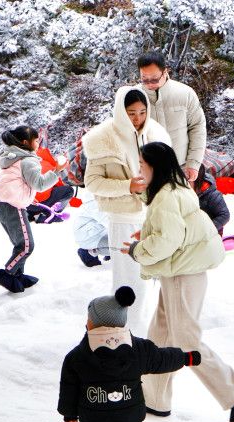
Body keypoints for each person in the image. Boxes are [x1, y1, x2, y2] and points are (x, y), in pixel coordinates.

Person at [124, 141, 234, 422]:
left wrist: (139, 249)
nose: (139, 169)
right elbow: (172, 225)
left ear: (154, 167)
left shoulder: (165, 197)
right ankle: (154, 398)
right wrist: (144, 207)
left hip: (181, 275)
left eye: (142, 164)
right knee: (160, 336)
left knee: (187, 340)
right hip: (184, 271)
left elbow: (168, 239)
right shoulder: (176, 187)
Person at [58, 286, 202, 422]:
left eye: (89, 318)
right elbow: (162, 359)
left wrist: (69, 415)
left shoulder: (77, 356)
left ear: (94, 323)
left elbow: (69, 388)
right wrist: (186, 358)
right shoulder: (139, 350)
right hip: (131, 419)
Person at [83, 86, 171, 337]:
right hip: (123, 217)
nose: (138, 118)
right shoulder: (101, 139)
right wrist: (126, 186)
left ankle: (145, 332)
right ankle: (124, 331)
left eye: (143, 112)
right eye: (131, 113)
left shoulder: (156, 133)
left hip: (155, 213)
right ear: (120, 111)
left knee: (152, 277)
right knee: (128, 278)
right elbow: (92, 182)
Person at [0, 126, 62, 293]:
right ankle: (8, 272)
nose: (38, 143)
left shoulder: (11, 157)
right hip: (14, 207)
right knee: (26, 246)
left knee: (20, 244)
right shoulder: (27, 160)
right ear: (25, 143)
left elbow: (16, 181)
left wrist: (28, 196)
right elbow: (40, 184)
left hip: (3, 205)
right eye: (36, 140)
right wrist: (57, 171)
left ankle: (17, 275)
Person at [138, 51, 206, 182]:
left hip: (180, 168)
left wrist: (193, 163)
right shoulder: (134, 97)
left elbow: (197, 127)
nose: (149, 84)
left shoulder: (185, 93)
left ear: (165, 72)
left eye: (154, 79)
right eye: (144, 79)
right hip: (145, 170)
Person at [74, 191, 110, 268]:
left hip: (98, 232)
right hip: (89, 237)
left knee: (125, 240)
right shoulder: (93, 203)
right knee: (127, 247)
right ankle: (88, 252)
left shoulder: (104, 196)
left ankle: (109, 252)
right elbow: (109, 221)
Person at [193, 166, 230, 236]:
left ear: (199, 180)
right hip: (194, 231)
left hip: (212, 233)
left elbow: (225, 215)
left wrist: (206, 229)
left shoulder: (213, 195)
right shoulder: (188, 192)